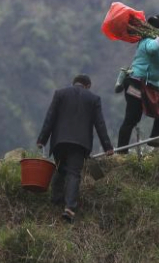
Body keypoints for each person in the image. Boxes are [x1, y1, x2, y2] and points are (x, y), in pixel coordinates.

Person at [37, 74, 114, 223]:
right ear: (88, 86)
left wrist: (42, 139)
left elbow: (50, 117)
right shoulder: (93, 99)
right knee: (73, 172)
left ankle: (55, 199)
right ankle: (69, 208)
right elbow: (100, 124)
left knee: (60, 168)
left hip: (60, 141)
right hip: (80, 143)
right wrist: (107, 146)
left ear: (74, 83)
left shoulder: (60, 94)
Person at [118, 15, 159, 151]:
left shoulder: (149, 40)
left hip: (147, 85)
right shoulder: (148, 40)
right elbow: (152, 48)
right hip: (134, 85)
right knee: (132, 116)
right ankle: (121, 151)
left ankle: (155, 138)